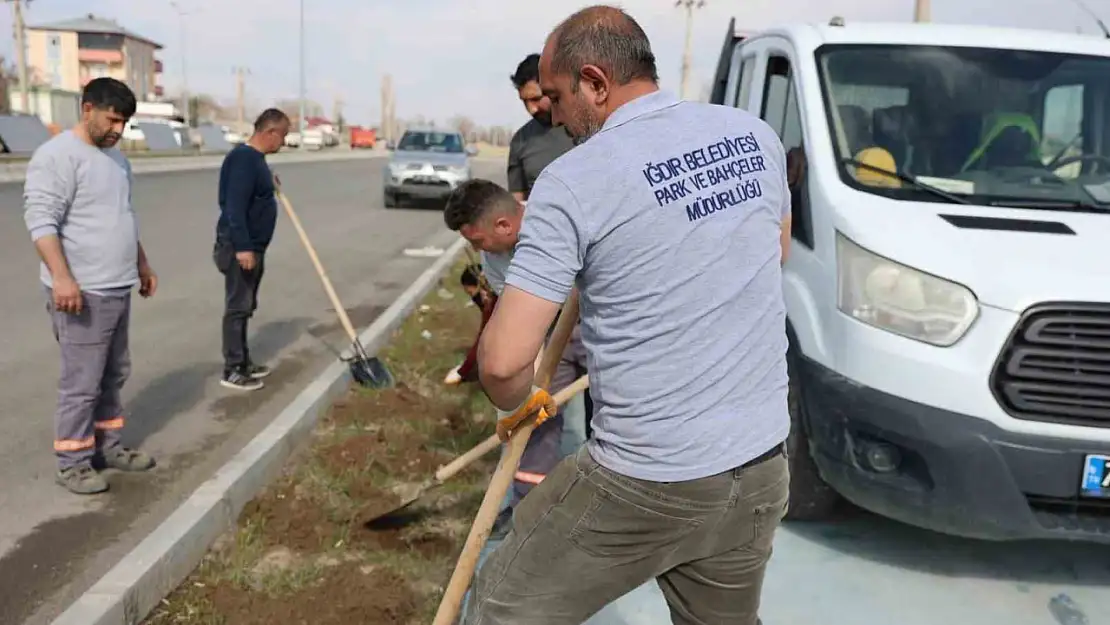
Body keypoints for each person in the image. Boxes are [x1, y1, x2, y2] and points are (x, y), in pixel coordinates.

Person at [466, 6, 793, 624]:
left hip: (645, 482)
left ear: (595, 82)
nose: (556, 116)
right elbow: (768, 253)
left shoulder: (574, 178)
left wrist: (518, 402)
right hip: (760, 466)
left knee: (499, 609)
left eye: (559, 96)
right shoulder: (754, 136)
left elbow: (504, 361)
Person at [23, 77, 158, 495]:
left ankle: (107, 447)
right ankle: (73, 463)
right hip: (81, 292)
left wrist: (141, 262)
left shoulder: (117, 160)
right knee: (82, 382)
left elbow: (121, 214)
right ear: (87, 109)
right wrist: (62, 278)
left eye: (124, 122)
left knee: (113, 373)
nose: (118, 130)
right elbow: (41, 222)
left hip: (116, 286)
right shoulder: (58, 156)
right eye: (113, 119)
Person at [213, 108, 291, 391]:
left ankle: (243, 361)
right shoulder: (243, 160)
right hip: (239, 248)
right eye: (283, 136)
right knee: (237, 306)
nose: (283, 142)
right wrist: (243, 248)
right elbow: (233, 207)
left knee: (246, 305)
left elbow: (254, 195)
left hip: (254, 247)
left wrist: (269, 186)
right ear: (270, 133)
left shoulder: (256, 161)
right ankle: (232, 369)